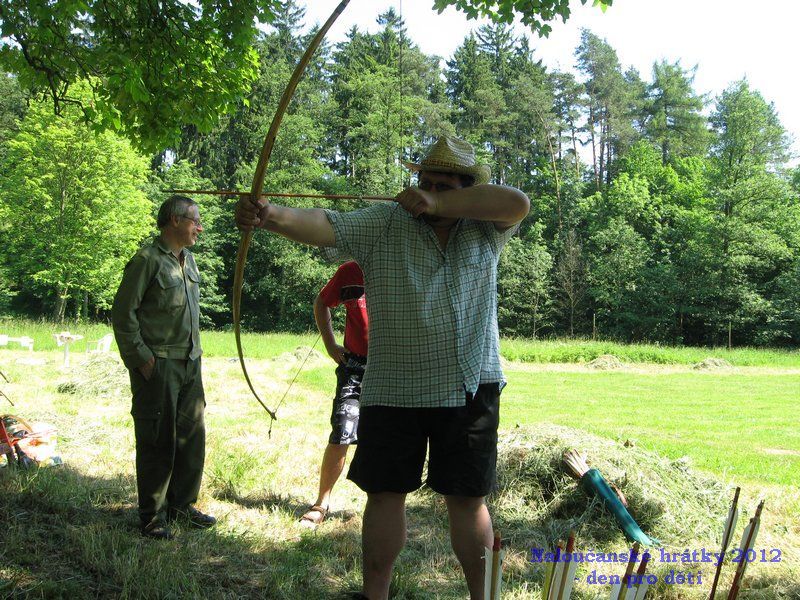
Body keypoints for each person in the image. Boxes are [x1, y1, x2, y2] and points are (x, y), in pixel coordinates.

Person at [235, 135, 529, 600]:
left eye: (444, 184)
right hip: (396, 385)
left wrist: (439, 200)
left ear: (465, 187)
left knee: (469, 500)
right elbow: (326, 224)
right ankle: (375, 595)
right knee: (385, 494)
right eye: (424, 181)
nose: (428, 191)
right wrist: (271, 217)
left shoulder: (485, 225)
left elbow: (517, 202)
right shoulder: (386, 222)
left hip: (470, 384)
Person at [112, 195, 216, 540]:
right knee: (158, 438)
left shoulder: (189, 261)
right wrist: (141, 358)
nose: (199, 227)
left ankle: (182, 506)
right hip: (159, 365)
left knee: (192, 436)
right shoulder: (146, 260)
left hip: (190, 362)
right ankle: (151, 515)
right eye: (195, 221)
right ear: (175, 220)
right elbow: (123, 314)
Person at [299, 260, 368, 529]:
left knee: (389, 436)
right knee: (342, 430)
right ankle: (321, 503)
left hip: (393, 367)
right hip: (355, 367)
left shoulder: (401, 261)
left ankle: (385, 503)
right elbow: (322, 303)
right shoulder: (350, 271)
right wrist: (329, 344)